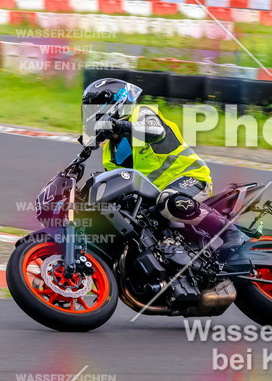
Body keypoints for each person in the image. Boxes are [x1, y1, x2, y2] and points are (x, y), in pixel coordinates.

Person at [80, 78, 249, 263]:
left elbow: (156, 132)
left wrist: (121, 126)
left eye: (96, 109)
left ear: (114, 105)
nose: (93, 116)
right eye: (89, 111)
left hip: (190, 177)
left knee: (168, 201)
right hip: (155, 195)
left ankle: (232, 233)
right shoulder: (109, 153)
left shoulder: (141, 113)